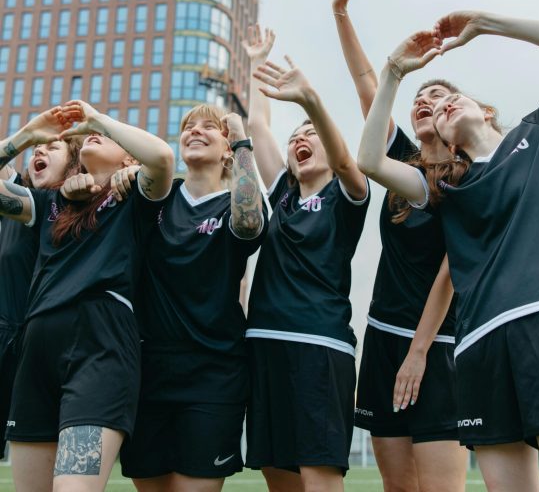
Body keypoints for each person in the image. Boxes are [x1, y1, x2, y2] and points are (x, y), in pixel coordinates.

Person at [358, 11, 539, 492]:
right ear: (443, 142)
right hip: (479, 346)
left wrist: (485, 24)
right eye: (435, 107)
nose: (442, 106)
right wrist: (393, 71)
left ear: (484, 111)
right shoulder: (445, 185)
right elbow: (368, 160)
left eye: (452, 98)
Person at [332, 0, 466, 492]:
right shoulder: (402, 162)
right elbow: (370, 85)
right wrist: (341, 12)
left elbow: (451, 273)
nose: (423, 102)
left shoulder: (466, 175)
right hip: (383, 337)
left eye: (436, 96)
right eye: (418, 97)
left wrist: (419, 352)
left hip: (437, 343)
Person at [0, 101, 174, 492]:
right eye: (93, 134)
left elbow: (162, 156)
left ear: (129, 157)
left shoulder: (137, 197)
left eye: (110, 137)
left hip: (100, 349)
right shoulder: (49, 202)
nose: (96, 134)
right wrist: (27, 135)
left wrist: (97, 120)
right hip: (37, 348)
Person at [243, 25, 370, 492]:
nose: (301, 138)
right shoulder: (282, 198)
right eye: (296, 135)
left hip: (319, 346)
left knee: (319, 474)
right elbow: (257, 127)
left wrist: (310, 102)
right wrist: (258, 61)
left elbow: (344, 163)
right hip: (263, 344)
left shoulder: (347, 195)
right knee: (279, 475)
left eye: (312, 133)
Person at [118, 106, 267, 492]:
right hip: (149, 372)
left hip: (214, 376)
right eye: (187, 127)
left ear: (227, 150)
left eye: (208, 128)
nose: (195, 131)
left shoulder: (236, 203)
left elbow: (251, 224)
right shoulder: (159, 198)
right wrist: (125, 173)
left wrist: (242, 139)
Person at [0, 126, 81, 460]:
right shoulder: (18, 197)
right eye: (36, 149)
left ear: (76, 168)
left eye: (53, 148)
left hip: (53, 347)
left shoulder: (78, 207)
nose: (39, 152)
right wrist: (29, 134)